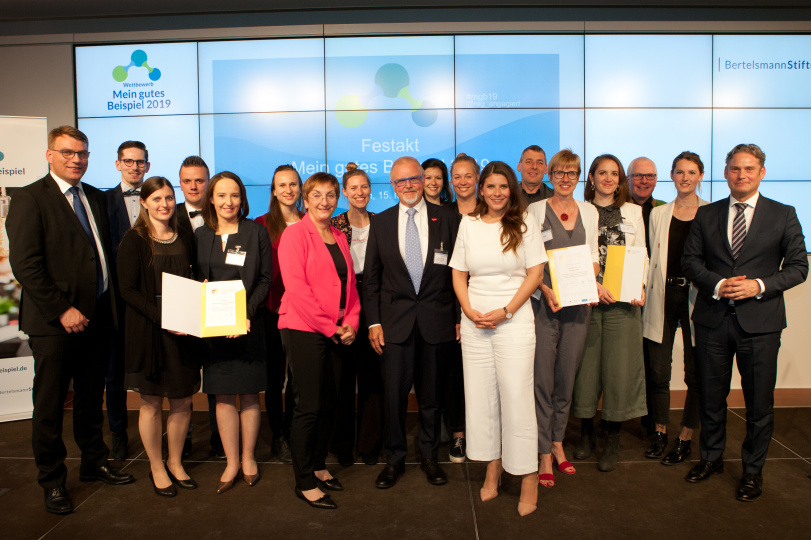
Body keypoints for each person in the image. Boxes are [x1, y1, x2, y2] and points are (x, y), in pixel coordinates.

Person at [7, 125, 134, 515]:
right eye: (67, 152)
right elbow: (25, 264)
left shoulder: (94, 197)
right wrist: (62, 309)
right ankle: (53, 480)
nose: (76, 159)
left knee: (89, 400)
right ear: (49, 155)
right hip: (55, 323)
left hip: (96, 317)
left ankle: (94, 462)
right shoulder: (30, 198)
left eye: (82, 153)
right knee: (49, 405)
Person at [682, 143, 807, 501]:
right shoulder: (707, 215)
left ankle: (753, 471)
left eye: (749, 169)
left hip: (762, 323)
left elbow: (800, 267)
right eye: (735, 169)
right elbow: (690, 262)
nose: (742, 175)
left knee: (759, 404)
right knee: (710, 398)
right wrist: (720, 284)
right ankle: (711, 459)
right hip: (712, 319)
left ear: (761, 172)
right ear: (726, 173)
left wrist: (759, 285)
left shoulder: (783, 214)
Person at [450, 160, 545, 516]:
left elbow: (535, 273)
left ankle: (528, 474)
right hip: (475, 323)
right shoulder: (469, 223)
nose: (496, 193)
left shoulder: (525, 222)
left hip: (514, 320)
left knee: (517, 398)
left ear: (512, 189)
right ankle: (493, 466)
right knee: (481, 398)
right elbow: (459, 274)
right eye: (490, 187)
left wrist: (506, 311)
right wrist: (470, 310)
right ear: (481, 189)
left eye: (503, 186)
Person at [364, 156, 460, 489]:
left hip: (437, 322)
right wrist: (373, 322)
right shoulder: (381, 223)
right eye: (400, 181)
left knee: (432, 397)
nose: (407, 186)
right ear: (392, 186)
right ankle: (394, 459)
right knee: (394, 396)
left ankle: (430, 457)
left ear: (423, 180)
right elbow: (372, 280)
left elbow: (460, 274)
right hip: (394, 326)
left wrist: (459, 318)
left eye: (413, 179)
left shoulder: (449, 218)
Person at [278, 172, 360, 509]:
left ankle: (317, 464)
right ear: (306, 199)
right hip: (304, 329)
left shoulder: (339, 236)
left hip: (337, 330)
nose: (324, 201)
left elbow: (350, 287)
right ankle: (303, 481)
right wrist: (331, 327)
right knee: (308, 406)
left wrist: (351, 322)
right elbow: (298, 291)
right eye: (316, 195)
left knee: (329, 403)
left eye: (330, 195)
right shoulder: (295, 235)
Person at [117, 176, 200, 497]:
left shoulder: (185, 235)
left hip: (184, 332)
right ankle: (156, 465)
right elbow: (128, 290)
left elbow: (194, 277)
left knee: (182, 400)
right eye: (157, 199)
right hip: (150, 332)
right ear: (144, 203)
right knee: (151, 403)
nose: (164, 205)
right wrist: (163, 317)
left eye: (168, 198)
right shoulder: (134, 240)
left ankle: (176, 462)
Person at [196, 171, 272, 493]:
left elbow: (265, 279)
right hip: (214, 328)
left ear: (242, 199)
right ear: (211, 198)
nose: (229, 202)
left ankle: (249, 457)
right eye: (222, 195)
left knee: (249, 394)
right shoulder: (200, 235)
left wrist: (245, 313)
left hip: (248, 324)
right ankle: (230, 461)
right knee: (223, 396)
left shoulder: (256, 232)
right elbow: (195, 277)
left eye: (235, 195)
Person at [528, 149, 599, 487]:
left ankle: (558, 443)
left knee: (566, 378)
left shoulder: (589, 211)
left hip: (579, 308)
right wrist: (544, 287)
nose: (565, 179)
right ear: (550, 175)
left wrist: (592, 283)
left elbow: (594, 258)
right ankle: (542, 450)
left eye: (572, 173)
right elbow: (527, 261)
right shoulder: (534, 210)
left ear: (578, 177)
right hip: (545, 306)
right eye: (559, 173)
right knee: (542, 379)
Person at [571, 154, 647, 472]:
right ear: (590, 177)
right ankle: (587, 434)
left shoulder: (634, 212)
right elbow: (574, 254)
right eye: (602, 172)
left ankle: (612, 438)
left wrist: (639, 287)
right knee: (586, 372)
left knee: (618, 373)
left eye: (614, 173)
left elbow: (641, 253)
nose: (608, 178)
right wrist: (592, 286)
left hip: (622, 304)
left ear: (620, 179)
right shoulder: (580, 210)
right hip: (588, 301)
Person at [642, 152, 709, 464]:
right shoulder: (659, 214)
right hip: (663, 294)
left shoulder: (711, 213)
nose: (685, 177)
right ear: (672, 175)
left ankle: (685, 436)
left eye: (691, 172)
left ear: (700, 176)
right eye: (680, 172)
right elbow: (650, 259)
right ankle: (659, 430)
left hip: (697, 297)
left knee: (695, 372)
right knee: (657, 370)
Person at [330, 163, 383, 466]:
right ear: (344, 192)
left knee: (373, 379)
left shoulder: (382, 223)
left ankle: (370, 445)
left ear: (370, 190)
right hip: (342, 304)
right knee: (342, 379)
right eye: (353, 188)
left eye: (364, 187)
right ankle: (341, 445)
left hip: (375, 302)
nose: (360, 192)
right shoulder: (334, 224)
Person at [105, 140, 151, 460]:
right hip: (114, 301)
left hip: (150, 300)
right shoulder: (101, 201)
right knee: (114, 372)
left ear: (148, 165)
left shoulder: (160, 201)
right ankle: (118, 433)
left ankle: (172, 429)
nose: (135, 167)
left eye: (140, 162)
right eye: (129, 161)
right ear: (118, 164)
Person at [255, 164, 304, 464]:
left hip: (303, 312)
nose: (288, 190)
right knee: (274, 378)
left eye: (293, 184)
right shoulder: (261, 225)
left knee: (298, 377)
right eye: (282, 185)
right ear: (273, 190)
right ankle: (278, 435)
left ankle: (294, 430)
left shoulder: (311, 222)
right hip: (271, 311)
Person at [176, 155, 221, 459]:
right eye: (187, 180)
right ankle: (185, 438)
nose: (194, 186)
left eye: (200, 180)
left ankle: (221, 437)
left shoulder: (222, 212)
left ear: (208, 182)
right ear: (180, 183)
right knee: (185, 377)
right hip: (183, 305)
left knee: (218, 374)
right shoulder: (167, 213)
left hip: (218, 304)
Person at [425, 155, 466, 459]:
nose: (433, 183)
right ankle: (438, 430)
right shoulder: (407, 217)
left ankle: (459, 433)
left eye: (438, 177)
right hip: (431, 307)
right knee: (435, 374)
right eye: (427, 177)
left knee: (456, 374)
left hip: (461, 302)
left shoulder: (452, 215)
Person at [627, 157, 665, 255]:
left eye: (649, 176)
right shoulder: (618, 209)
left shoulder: (665, 209)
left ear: (656, 180)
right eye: (638, 175)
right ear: (628, 179)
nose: (644, 181)